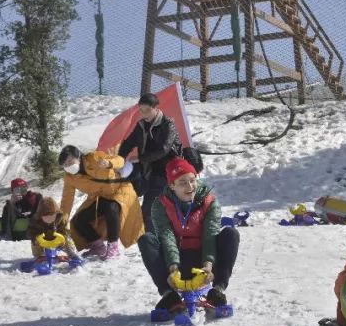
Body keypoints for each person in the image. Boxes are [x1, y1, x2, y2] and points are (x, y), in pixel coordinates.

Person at [137, 158, 239, 314]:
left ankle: (217, 290)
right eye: (183, 182)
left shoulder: (210, 202)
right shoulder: (160, 204)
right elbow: (167, 236)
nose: (190, 186)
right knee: (146, 240)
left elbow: (210, 235)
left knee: (230, 234)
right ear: (172, 186)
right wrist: (173, 268)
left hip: (203, 261)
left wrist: (208, 265)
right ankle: (169, 295)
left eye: (192, 180)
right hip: (178, 261)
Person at [58, 145, 144, 260]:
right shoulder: (70, 178)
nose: (69, 166)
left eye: (70, 161)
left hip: (120, 191)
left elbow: (121, 160)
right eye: (65, 165)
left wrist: (109, 163)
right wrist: (61, 223)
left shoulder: (94, 158)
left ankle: (113, 247)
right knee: (78, 220)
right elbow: (66, 201)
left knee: (111, 207)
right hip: (101, 197)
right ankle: (98, 246)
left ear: (78, 156)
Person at [117, 93, 183, 233]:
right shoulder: (141, 125)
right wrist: (119, 160)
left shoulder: (168, 124)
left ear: (155, 108)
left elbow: (164, 150)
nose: (143, 113)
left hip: (167, 171)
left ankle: (152, 238)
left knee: (149, 208)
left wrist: (140, 159)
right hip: (148, 169)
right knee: (122, 187)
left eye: (146, 110)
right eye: (141, 110)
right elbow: (128, 144)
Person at [27, 196, 83, 265]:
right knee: (35, 243)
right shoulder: (36, 221)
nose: (49, 219)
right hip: (43, 241)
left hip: (57, 240)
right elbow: (31, 231)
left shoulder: (61, 219)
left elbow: (65, 230)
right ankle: (40, 256)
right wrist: (35, 238)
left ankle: (72, 254)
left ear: (56, 213)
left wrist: (63, 238)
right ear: (40, 216)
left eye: (52, 215)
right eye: (46, 217)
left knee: (68, 241)